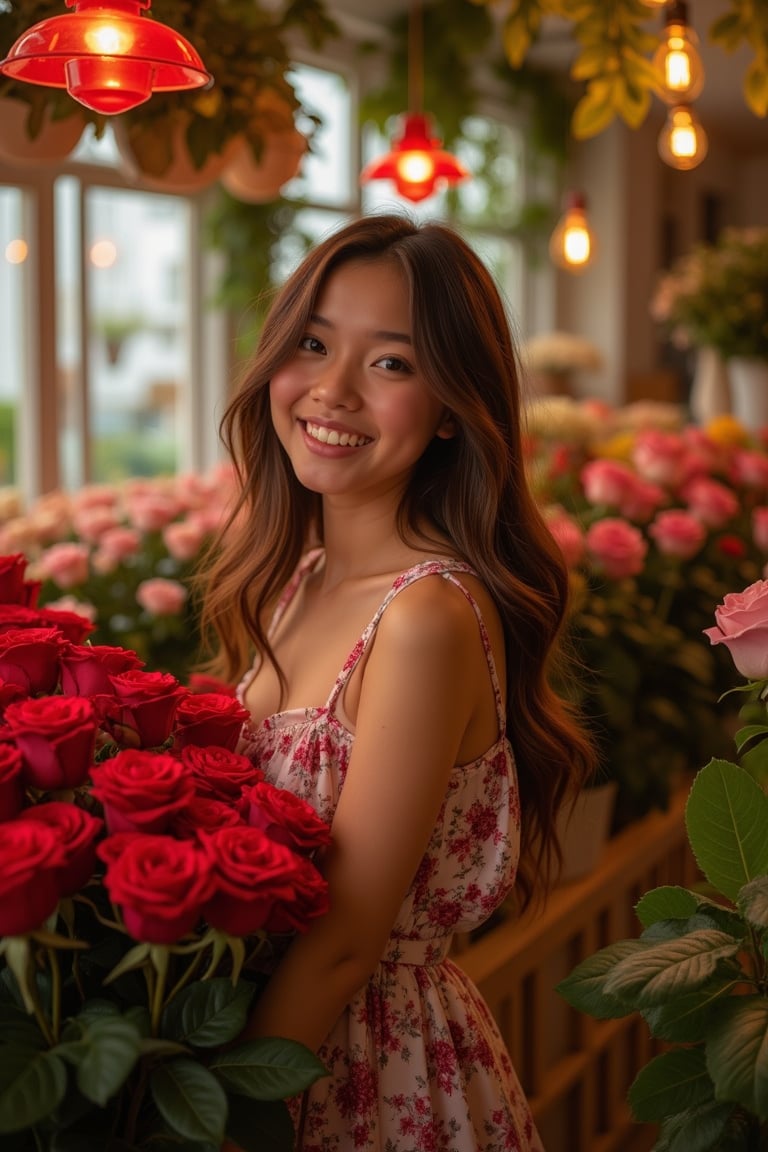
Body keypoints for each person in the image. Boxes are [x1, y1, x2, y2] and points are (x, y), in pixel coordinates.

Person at [200, 213, 595, 1151]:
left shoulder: (424, 618)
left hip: (358, 1070)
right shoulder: (295, 580)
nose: (330, 391)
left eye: (391, 364)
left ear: (455, 406)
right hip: (277, 1042)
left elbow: (343, 943)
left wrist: (217, 1124)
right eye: (313, 343)